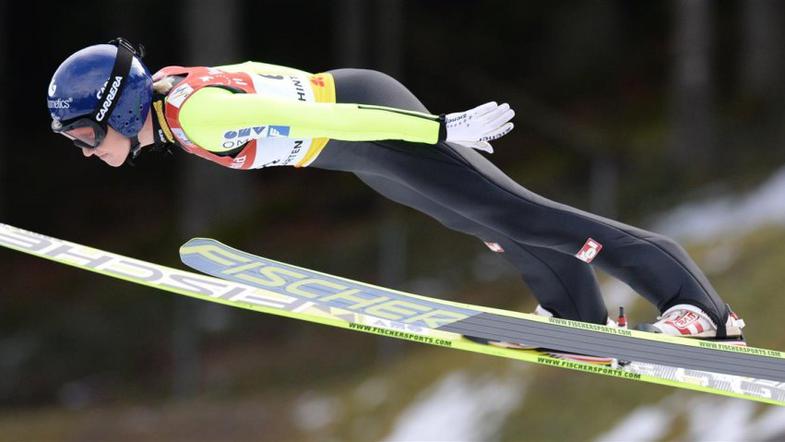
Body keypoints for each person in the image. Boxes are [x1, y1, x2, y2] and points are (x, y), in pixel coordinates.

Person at [46, 38, 746, 345]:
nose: (81, 149)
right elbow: (263, 73)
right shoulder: (166, 103)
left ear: (117, 109)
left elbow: (323, 115)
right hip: (351, 149)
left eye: (82, 134)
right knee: (484, 222)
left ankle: (699, 308)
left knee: (513, 211)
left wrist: (433, 128)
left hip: (364, 122)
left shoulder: (195, 113)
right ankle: (578, 321)